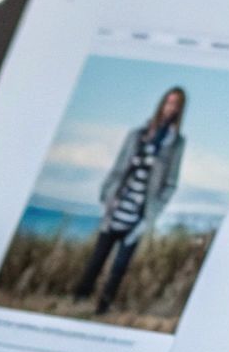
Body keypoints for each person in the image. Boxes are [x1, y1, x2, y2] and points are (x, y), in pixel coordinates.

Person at [73, 87, 187, 315]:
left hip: (140, 213)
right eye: (168, 102)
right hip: (117, 206)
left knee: (119, 266)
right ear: (162, 103)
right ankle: (78, 300)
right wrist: (107, 195)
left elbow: (170, 184)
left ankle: (102, 308)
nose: (171, 108)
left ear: (180, 109)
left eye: (176, 104)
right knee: (97, 259)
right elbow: (118, 167)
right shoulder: (138, 134)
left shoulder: (175, 144)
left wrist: (151, 216)